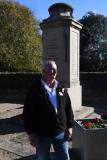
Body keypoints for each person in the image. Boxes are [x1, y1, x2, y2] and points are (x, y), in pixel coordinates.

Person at [23, 60, 74, 160]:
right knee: (42, 158)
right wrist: (31, 133)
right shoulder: (35, 89)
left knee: (64, 157)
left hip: (60, 132)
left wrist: (70, 127)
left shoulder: (61, 88)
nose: (53, 72)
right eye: (51, 70)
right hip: (43, 133)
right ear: (43, 72)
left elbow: (68, 108)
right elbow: (28, 112)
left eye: (55, 70)